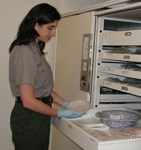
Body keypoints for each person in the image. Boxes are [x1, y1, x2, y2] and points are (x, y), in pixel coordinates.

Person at [9, 3, 85, 150]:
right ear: (36, 25)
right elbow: (28, 101)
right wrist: (60, 113)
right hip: (30, 117)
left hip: (41, 113)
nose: (53, 33)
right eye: (50, 28)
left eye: (54, 28)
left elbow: (44, 88)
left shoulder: (36, 49)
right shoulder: (24, 51)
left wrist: (66, 104)